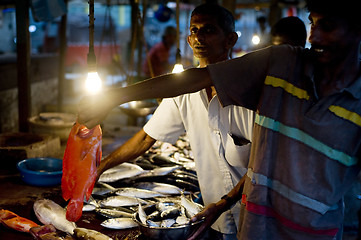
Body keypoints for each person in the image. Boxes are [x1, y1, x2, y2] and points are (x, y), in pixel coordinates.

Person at [78, 0, 361, 239]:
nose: (314, 38)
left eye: (328, 26)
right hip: (247, 224)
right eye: (312, 24)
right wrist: (111, 104)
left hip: (312, 232)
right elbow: (189, 88)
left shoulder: (266, 88)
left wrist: (225, 203)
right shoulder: (280, 65)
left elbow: (259, 161)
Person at [94, 4, 253, 239]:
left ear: (230, 39)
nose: (199, 37)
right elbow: (147, 137)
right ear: (188, 40)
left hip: (255, 214)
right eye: (194, 30)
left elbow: (261, 162)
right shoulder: (182, 92)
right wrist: (101, 167)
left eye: (208, 30)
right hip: (214, 218)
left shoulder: (251, 90)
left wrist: (224, 204)